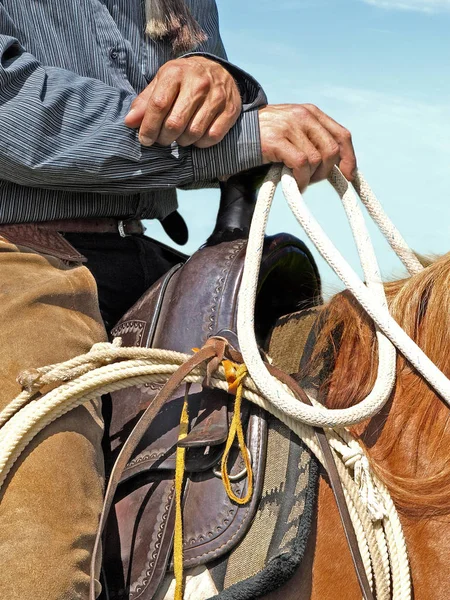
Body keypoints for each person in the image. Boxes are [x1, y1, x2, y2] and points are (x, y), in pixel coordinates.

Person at [0, 1, 357, 598]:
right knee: (41, 557)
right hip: (16, 253)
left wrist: (213, 77)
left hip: (147, 258)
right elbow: (14, 118)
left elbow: (201, 78)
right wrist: (243, 139)